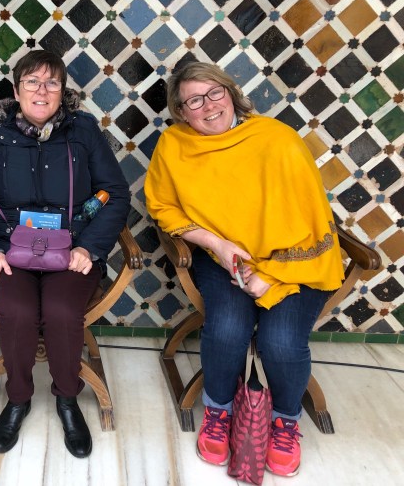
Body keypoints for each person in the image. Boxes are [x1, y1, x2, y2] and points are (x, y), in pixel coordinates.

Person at [144, 61, 343, 477]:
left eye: (215, 92)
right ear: (181, 111)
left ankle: (285, 422)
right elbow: (162, 206)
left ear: (231, 93)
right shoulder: (174, 145)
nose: (208, 105)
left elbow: (312, 217)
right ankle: (218, 412)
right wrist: (217, 244)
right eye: (194, 101)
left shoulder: (277, 139)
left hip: (296, 262)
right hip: (223, 260)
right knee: (228, 328)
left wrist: (271, 274)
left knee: (281, 341)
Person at [0, 50, 129, 458]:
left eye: (52, 82)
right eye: (32, 81)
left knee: (61, 311)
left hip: (72, 249)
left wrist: (90, 247)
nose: (42, 90)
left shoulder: (83, 131)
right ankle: (18, 399)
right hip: (8, 250)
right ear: (16, 91)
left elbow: (116, 193)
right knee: (18, 311)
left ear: (62, 91)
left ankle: (67, 398)